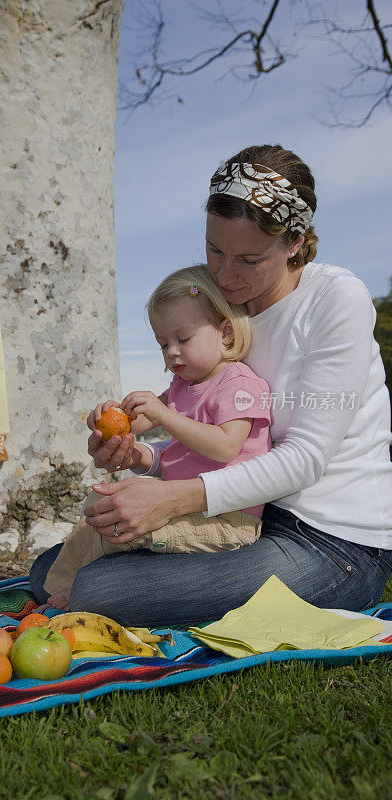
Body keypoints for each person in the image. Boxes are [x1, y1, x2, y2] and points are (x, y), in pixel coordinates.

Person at [29, 144, 392, 628]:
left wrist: (172, 498)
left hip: (334, 544)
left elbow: (305, 459)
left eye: (248, 258)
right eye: (214, 250)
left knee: (97, 588)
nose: (225, 274)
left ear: (295, 242)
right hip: (245, 520)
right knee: (50, 569)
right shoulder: (225, 308)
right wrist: (133, 447)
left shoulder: (335, 300)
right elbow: (201, 413)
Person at [42, 265, 272, 610]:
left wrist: (165, 413)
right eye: (163, 343)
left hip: (227, 521)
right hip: (181, 512)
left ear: (225, 333)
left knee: (118, 527)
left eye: (183, 339)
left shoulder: (239, 383)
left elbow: (225, 446)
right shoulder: (183, 386)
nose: (172, 352)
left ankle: (76, 597)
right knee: (98, 506)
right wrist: (107, 420)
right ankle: (55, 591)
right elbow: (134, 424)